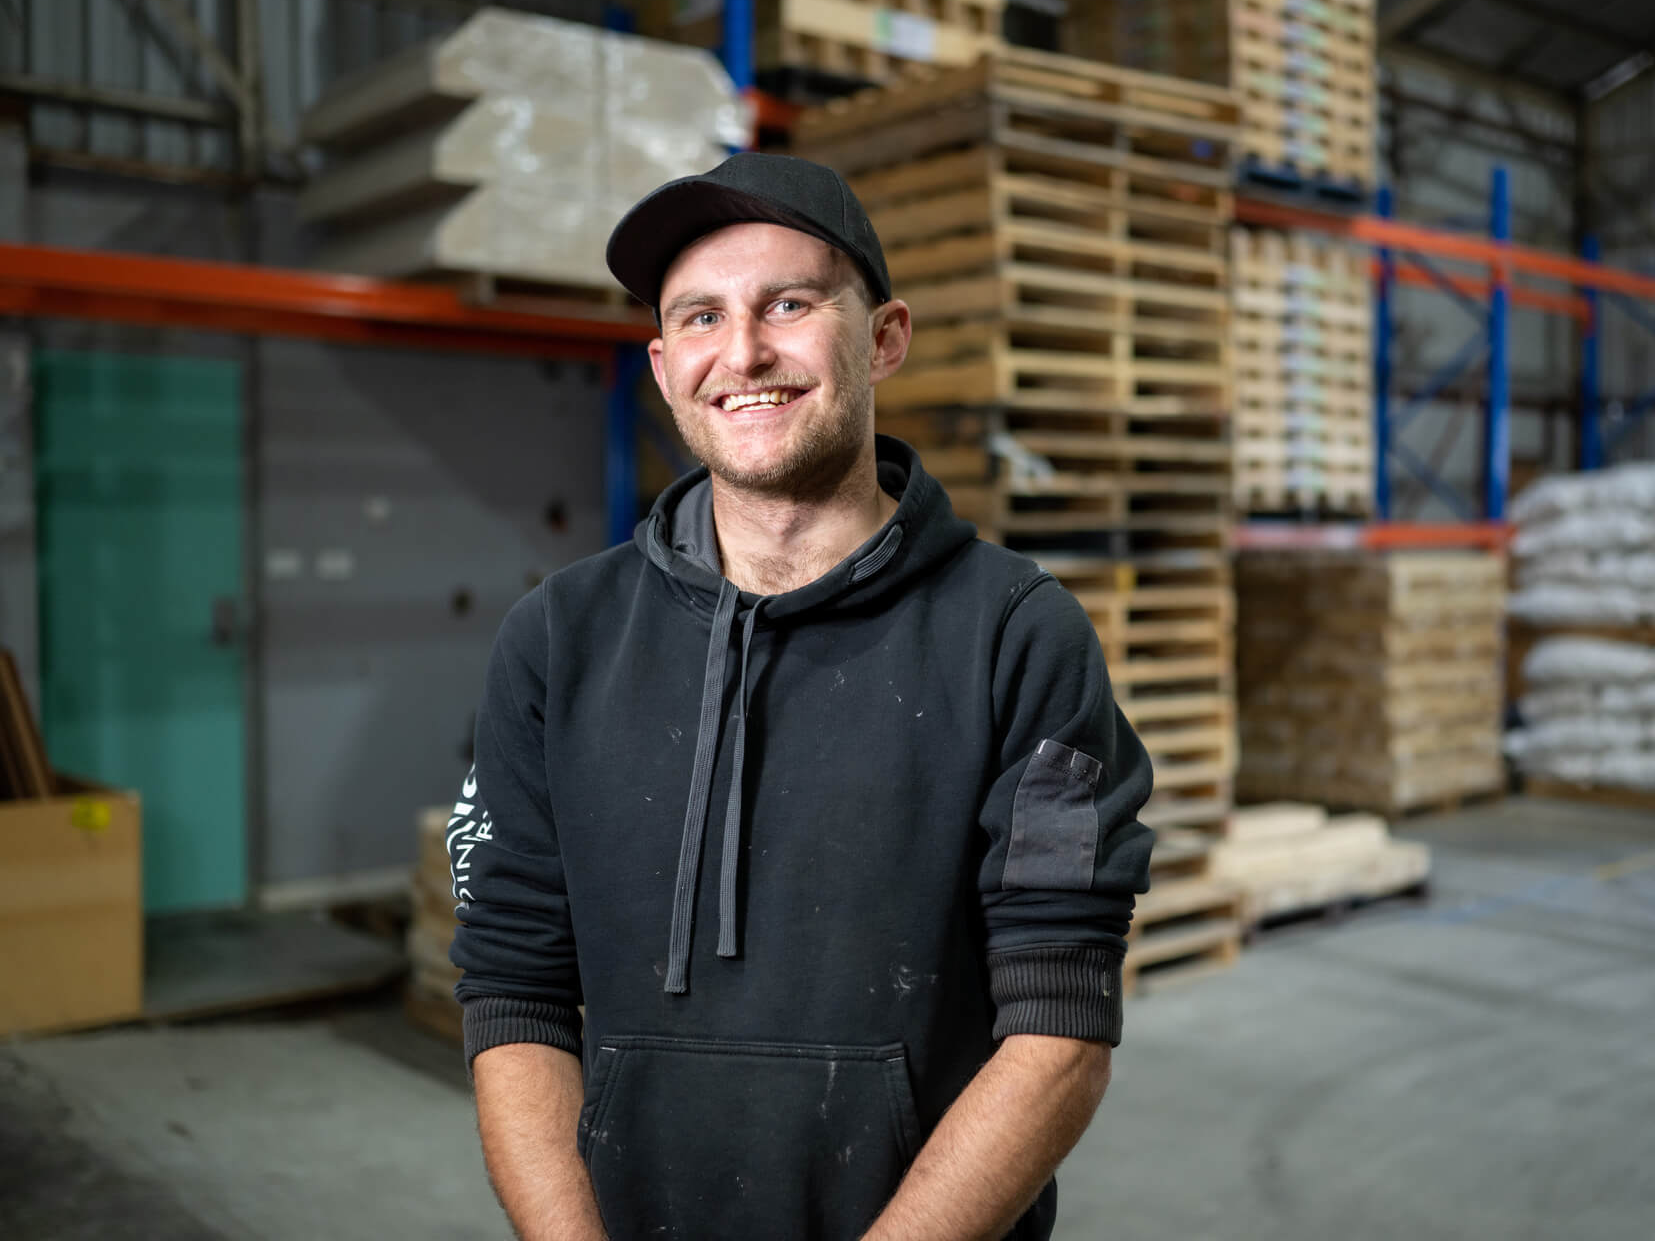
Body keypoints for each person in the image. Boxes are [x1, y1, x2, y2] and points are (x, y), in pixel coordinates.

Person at [447, 151, 1155, 1241]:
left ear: (884, 337)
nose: (743, 353)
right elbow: (512, 990)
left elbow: (1060, 1027)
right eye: (699, 318)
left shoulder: (1018, 636)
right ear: (661, 360)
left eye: (788, 303)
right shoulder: (556, 641)